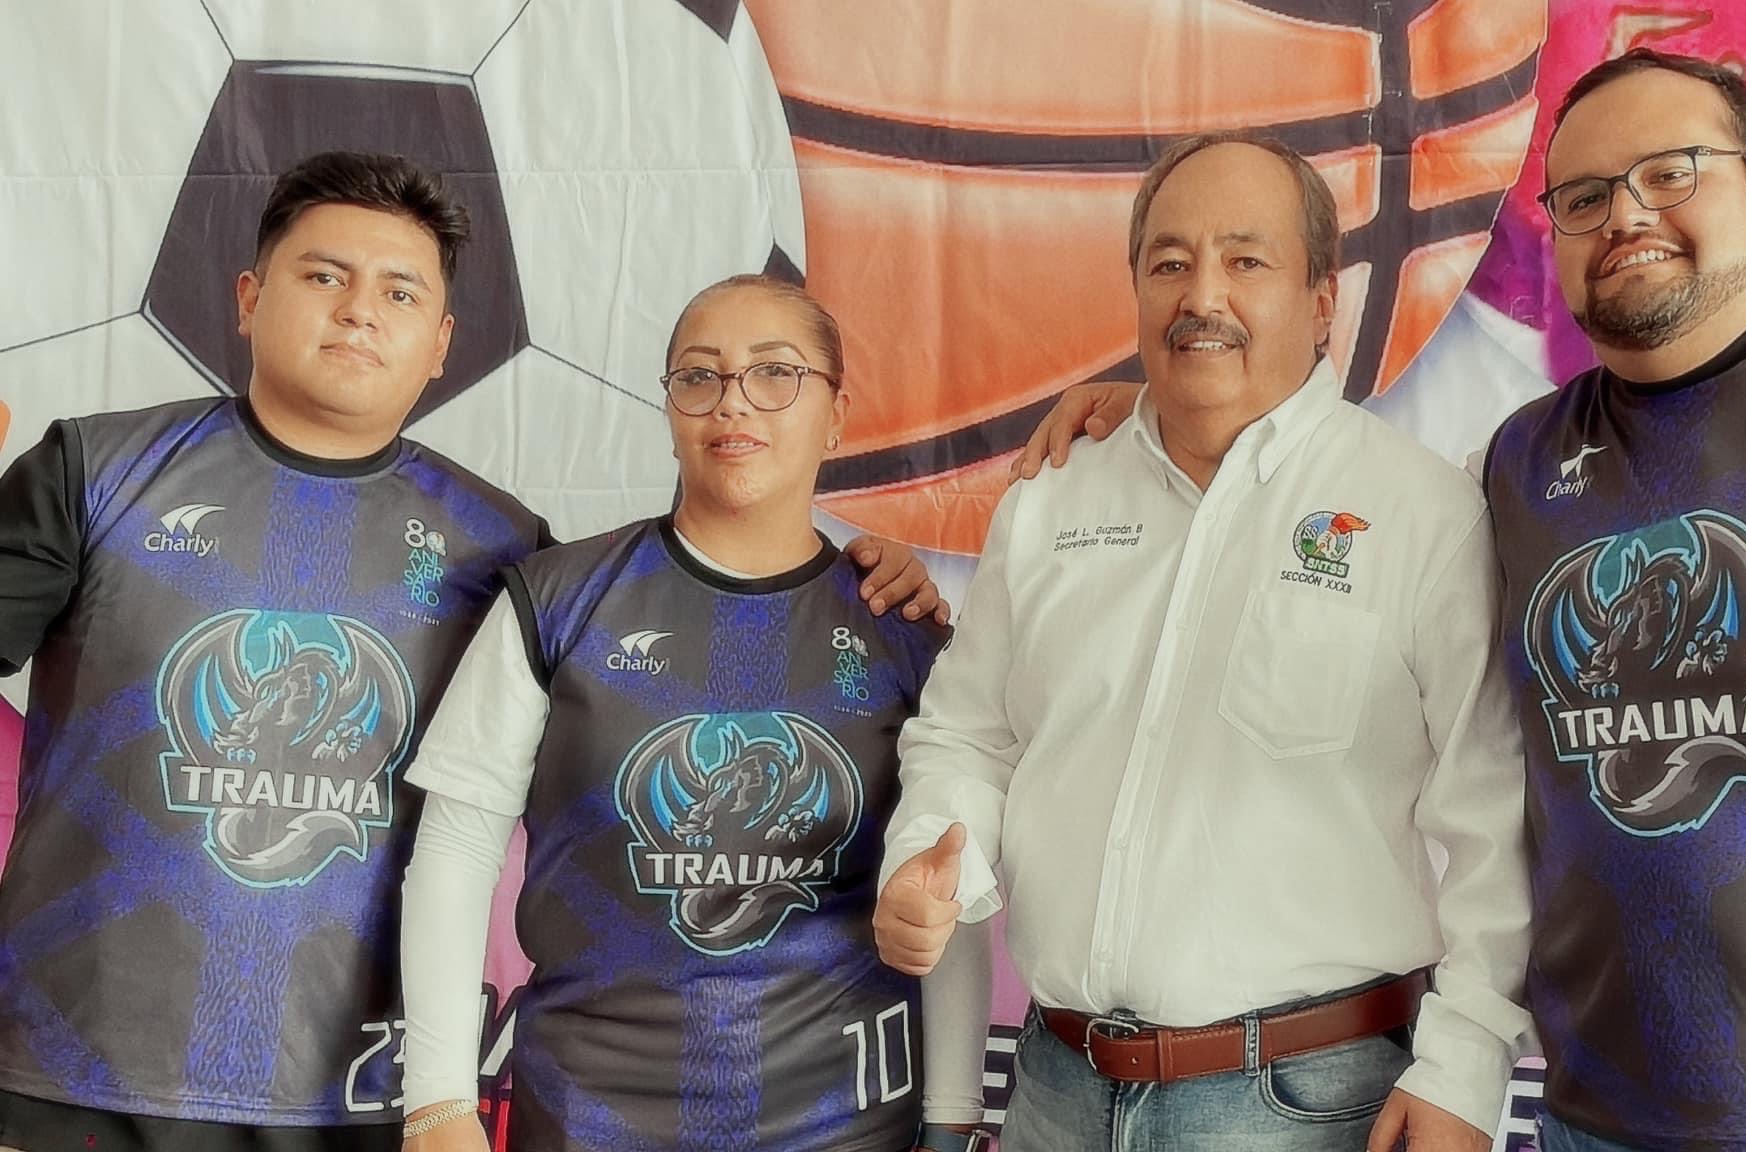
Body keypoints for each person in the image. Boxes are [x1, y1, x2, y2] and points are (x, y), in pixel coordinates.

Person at [1020, 50, 1746, 1152]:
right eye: (1585, 196)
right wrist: (1179, 404)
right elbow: (1312, 494)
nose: (1626, 215)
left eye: (1670, 172)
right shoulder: (1514, 466)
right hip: (1603, 1121)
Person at [0, 154, 942, 1152]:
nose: (359, 311)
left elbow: (681, 644)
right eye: (324, 275)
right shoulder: (92, 473)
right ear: (248, 298)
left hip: (352, 1103)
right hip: (66, 1085)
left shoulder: (506, 553)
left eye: (399, 292)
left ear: (441, 342)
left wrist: (867, 585)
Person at [872, 132, 1531, 1152]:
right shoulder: (1053, 494)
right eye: (1169, 262)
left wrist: (1465, 1065)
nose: (1202, 295)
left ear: (1321, 300)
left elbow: (1496, 819)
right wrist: (930, 855)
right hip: (1054, 1090)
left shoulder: (1421, 513)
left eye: (1245, 260)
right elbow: (968, 735)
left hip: (1306, 1105)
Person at [394, 275, 993, 1152]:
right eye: (699, 376)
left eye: (776, 372)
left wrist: (951, 1117)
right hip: (588, 1120)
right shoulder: (559, 600)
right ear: (671, 406)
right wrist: (439, 1102)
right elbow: (456, 846)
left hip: (841, 1126)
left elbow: (945, 882)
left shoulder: (904, 630)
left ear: (837, 414)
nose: (733, 402)